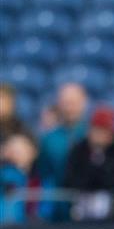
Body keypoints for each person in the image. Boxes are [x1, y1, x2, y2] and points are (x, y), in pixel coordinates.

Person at [63, 105, 114, 221]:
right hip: (82, 213)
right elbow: (70, 179)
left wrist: (105, 178)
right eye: (97, 130)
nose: (100, 135)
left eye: (104, 131)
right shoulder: (79, 150)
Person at [38, 82, 89, 220]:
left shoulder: (92, 136)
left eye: (73, 103)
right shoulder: (49, 139)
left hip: (87, 206)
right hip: (58, 207)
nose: (70, 108)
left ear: (84, 103)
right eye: (66, 103)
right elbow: (43, 173)